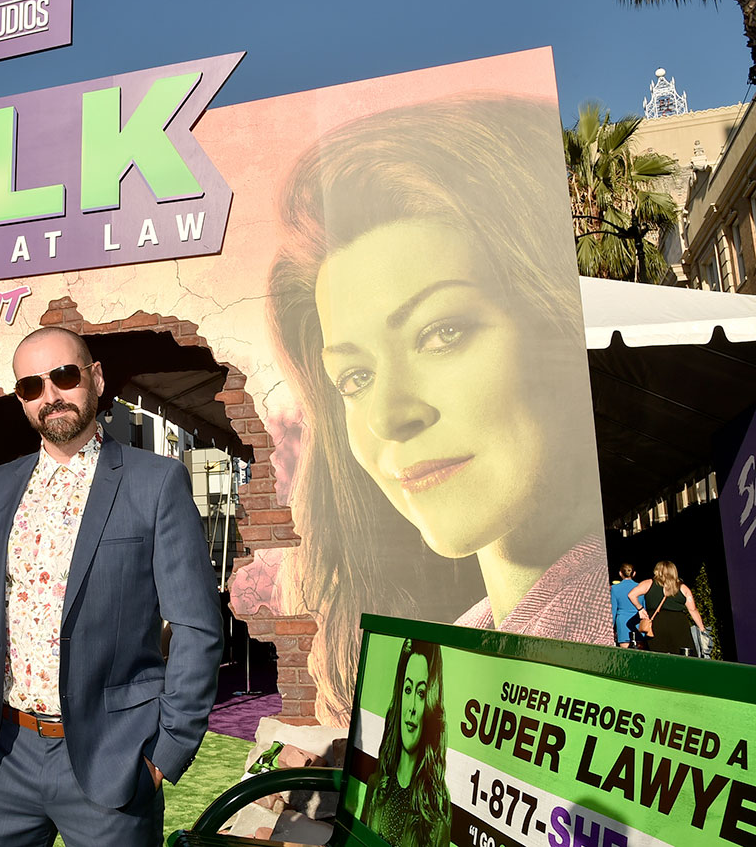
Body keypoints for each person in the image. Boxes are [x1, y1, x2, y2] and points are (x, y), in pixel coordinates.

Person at [269, 95, 613, 725]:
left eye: (442, 333)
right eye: (355, 378)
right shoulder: (449, 661)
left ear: (552, 321)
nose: (387, 416)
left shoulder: (606, 651)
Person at [0, 326, 223, 846]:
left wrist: (165, 753)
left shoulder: (154, 482)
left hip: (113, 758)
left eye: (64, 375)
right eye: (31, 385)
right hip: (1, 757)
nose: (50, 394)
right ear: (21, 399)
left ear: (95, 378)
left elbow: (196, 626)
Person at [361, 638, 450, 847]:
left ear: (430, 703)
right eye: (408, 690)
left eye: (421, 693)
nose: (411, 708)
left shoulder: (437, 809)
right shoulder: (376, 784)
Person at [628, 561, 707, 655]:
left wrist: (640, 609)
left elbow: (631, 595)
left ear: (657, 571)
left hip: (657, 624)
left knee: (658, 654)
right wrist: (702, 629)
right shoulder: (683, 588)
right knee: (683, 655)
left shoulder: (648, 583)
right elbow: (693, 610)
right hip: (679, 624)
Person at [610, 563, 640, 647]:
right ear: (634, 573)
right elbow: (643, 606)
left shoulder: (615, 588)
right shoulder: (640, 587)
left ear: (620, 573)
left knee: (624, 649)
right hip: (637, 620)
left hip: (622, 621)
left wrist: (610, 627)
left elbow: (613, 610)